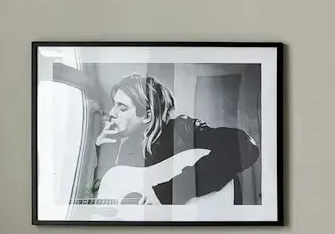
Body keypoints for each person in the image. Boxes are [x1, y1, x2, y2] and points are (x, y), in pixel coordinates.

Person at [95, 73, 260, 205]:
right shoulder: (128, 148)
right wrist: (105, 153)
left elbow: (244, 147)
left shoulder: (183, 129)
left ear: (146, 115)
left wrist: (167, 193)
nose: (112, 113)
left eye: (121, 107)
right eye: (113, 104)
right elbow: (107, 199)